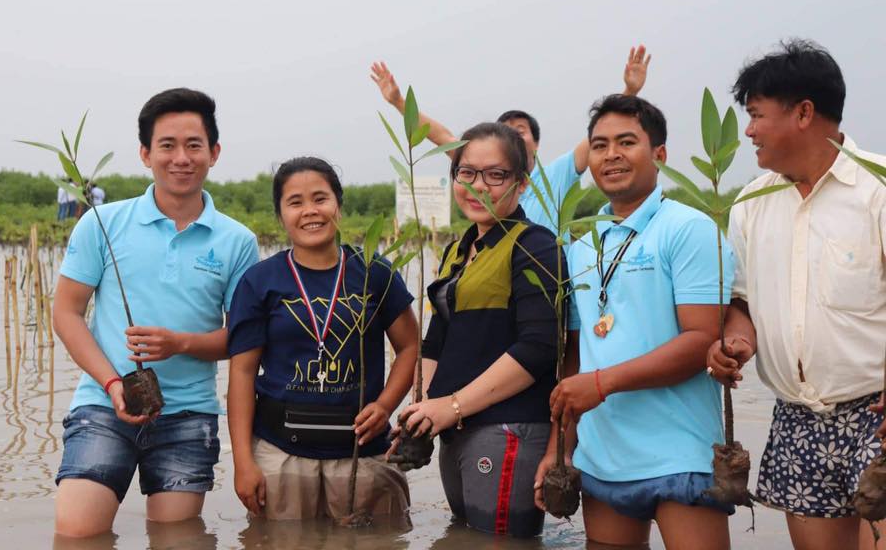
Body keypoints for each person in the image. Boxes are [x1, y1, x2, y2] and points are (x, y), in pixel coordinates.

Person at [51, 88, 259, 538]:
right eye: (167, 146)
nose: (180, 158)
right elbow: (66, 314)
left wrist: (179, 343)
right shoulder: (102, 223)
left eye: (193, 145)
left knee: (178, 540)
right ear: (145, 154)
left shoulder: (237, 241)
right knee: (76, 534)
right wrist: (111, 383)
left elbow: (242, 339)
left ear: (214, 153)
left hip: (188, 416)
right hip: (103, 405)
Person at [706, 39, 886, 550]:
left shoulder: (878, 188)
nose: (748, 131)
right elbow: (742, 302)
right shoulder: (751, 202)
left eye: (757, 115)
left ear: (804, 112)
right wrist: (736, 343)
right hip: (796, 417)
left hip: (877, 415)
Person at [549, 94, 733, 549]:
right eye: (599, 145)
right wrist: (563, 448)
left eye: (626, 142)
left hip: (679, 451)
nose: (611, 155)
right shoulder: (583, 243)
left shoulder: (687, 228)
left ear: (660, 155)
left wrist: (603, 382)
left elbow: (702, 339)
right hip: (603, 455)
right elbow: (576, 354)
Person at [394, 122, 563, 538]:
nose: (477, 185)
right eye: (466, 173)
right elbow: (437, 339)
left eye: (495, 175)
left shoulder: (535, 245)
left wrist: (450, 406)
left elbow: (539, 348)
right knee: (466, 533)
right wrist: (422, 412)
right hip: (458, 425)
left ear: (522, 184)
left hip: (507, 426)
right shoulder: (458, 248)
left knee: (497, 539)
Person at [226, 157, 419, 521]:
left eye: (320, 199)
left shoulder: (374, 272)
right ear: (281, 214)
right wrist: (243, 462)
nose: (310, 211)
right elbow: (242, 373)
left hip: (363, 454)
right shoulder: (259, 282)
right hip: (280, 455)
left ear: (339, 206)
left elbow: (410, 346)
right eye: (295, 202)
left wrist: (385, 406)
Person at [370, 46, 651, 234]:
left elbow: (596, 136)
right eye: (504, 132)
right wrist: (398, 102)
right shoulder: (483, 175)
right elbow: (444, 137)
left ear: (536, 144)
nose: (513, 137)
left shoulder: (556, 175)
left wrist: (628, 91)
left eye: (520, 130)